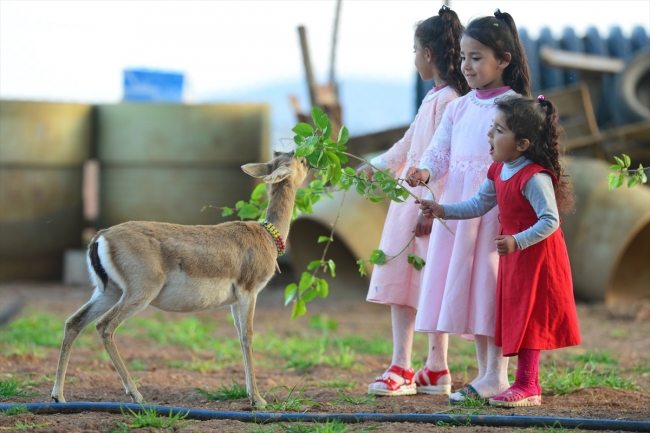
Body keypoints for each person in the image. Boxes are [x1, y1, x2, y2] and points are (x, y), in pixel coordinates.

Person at [418, 95, 581, 407]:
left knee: (530, 316)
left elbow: (551, 220)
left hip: (537, 255)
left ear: (522, 143)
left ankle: (528, 384)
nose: (489, 135)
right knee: (517, 313)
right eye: (492, 128)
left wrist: (517, 241)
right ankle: (522, 383)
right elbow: (479, 204)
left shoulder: (533, 176)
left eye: (498, 130)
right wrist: (442, 209)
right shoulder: (498, 170)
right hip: (515, 255)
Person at [406, 8, 532, 402]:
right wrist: (424, 173)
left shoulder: (514, 107)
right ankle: (486, 374)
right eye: (464, 57)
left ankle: (497, 372)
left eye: (477, 57)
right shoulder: (459, 106)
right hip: (461, 210)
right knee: (472, 289)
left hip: (496, 212)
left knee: (492, 287)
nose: (467, 65)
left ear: (504, 60)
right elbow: (439, 151)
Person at [357, 5, 470, 397]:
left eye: (414, 49)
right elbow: (409, 144)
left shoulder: (450, 100)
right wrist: (375, 165)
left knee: (419, 285)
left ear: (429, 54)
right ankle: (433, 368)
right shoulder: (434, 98)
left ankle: (403, 367)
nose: (413, 57)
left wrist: (430, 205)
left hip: (425, 205)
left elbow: (446, 159)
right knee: (415, 283)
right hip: (413, 202)